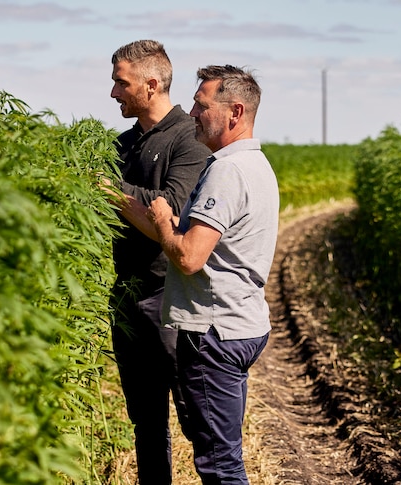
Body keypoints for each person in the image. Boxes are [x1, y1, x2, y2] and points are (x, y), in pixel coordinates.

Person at [143, 64, 279, 484]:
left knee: (219, 465)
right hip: (242, 324)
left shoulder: (227, 171)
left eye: (202, 107)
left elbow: (188, 258)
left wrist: (163, 219)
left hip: (213, 333)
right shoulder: (255, 165)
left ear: (235, 112)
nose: (193, 115)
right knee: (224, 454)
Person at [106, 39, 211, 485]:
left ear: (151, 84)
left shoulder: (189, 138)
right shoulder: (123, 143)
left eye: (120, 83)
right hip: (128, 295)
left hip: (170, 299)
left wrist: (111, 192)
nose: (113, 93)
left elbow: (171, 209)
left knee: (198, 421)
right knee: (146, 422)